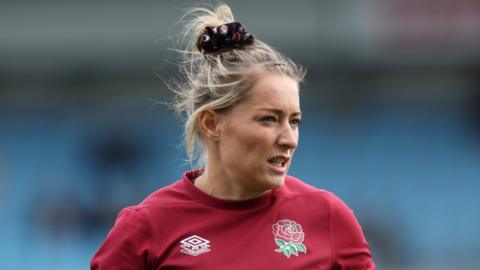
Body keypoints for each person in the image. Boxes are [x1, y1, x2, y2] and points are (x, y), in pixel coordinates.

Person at [90, 3, 376, 269]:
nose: (289, 138)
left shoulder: (328, 218)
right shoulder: (145, 228)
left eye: (295, 121)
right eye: (269, 119)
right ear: (212, 124)